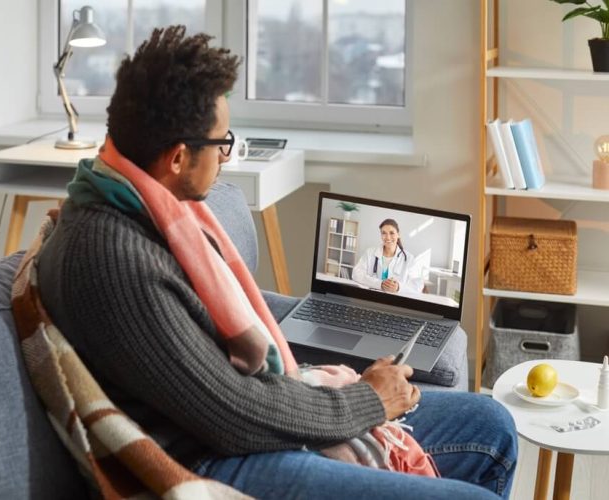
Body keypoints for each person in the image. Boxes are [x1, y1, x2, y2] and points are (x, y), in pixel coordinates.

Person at [34, 25, 517, 499]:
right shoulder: (116, 260)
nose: (226, 157)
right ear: (178, 157)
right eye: (221, 143)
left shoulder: (149, 206)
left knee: (492, 424)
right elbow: (230, 413)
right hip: (212, 456)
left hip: (248, 413)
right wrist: (368, 400)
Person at [352, 218, 424, 294]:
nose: (388, 237)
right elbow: (356, 273)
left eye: (392, 233)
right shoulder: (370, 253)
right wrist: (380, 284)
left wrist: (399, 287)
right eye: (384, 233)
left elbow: (418, 285)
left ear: (398, 234)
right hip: (371, 298)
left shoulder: (409, 258)